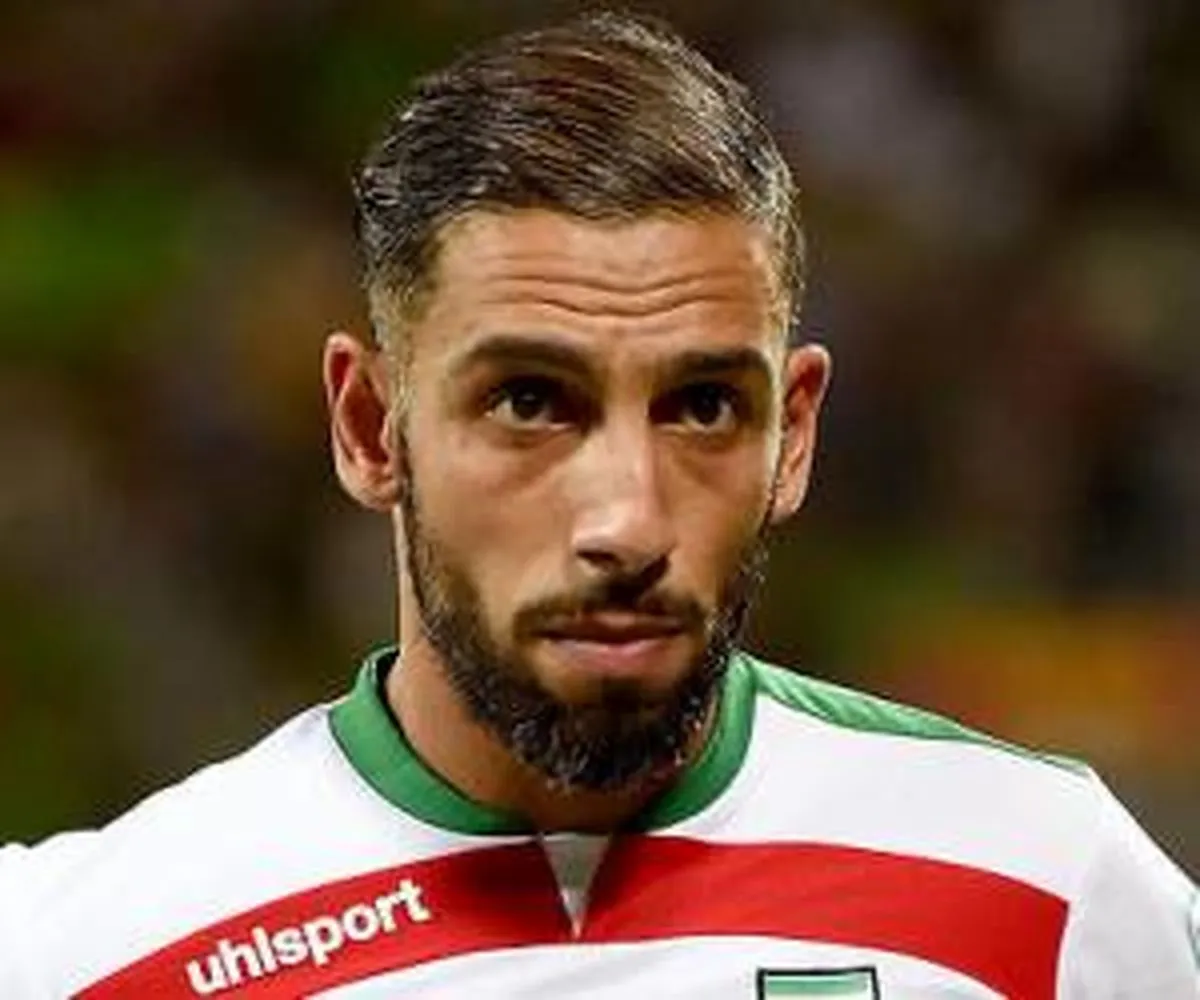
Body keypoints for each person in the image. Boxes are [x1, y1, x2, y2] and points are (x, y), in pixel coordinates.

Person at [1, 10, 1196, 999]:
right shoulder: (88, 954)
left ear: (794, 435)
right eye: (529, 401)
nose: (626, 519)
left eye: (703, 406)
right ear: (370, 427)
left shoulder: (1050, 893)